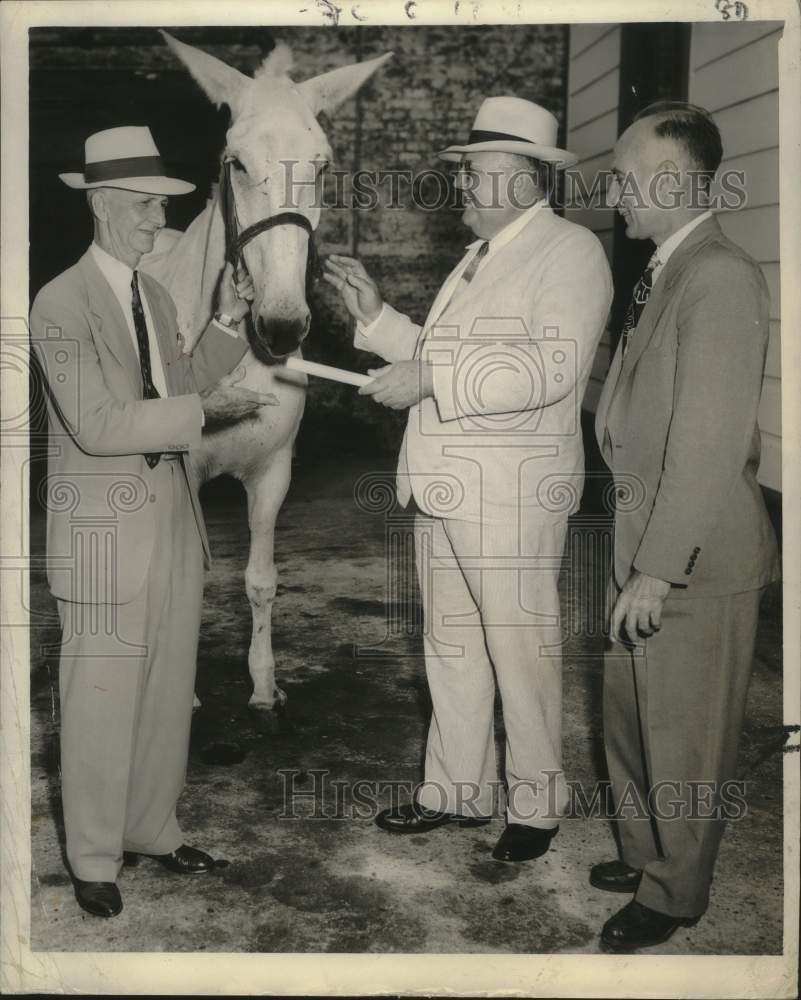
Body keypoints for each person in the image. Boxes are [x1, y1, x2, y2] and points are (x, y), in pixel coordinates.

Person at [325, 97, 613, 862]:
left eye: (478, 173)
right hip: (446, 484)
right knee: (450, 644)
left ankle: (536, 805)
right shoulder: (477, 255)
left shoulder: (569, 252)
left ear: (527, 180)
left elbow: (547, 368)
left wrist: (427, 377)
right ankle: (454, 791)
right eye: (465, 173)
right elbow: (438, 352)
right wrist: (378, 316)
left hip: (511, 495)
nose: (463, 186)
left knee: (519, 648)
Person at [30, 125, 278, 918]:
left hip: (172, 523)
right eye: (142, 207)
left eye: (162, 206)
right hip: (102, 539)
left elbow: (177, 381)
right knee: (100, 698)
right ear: (102, 205)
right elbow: (100, 424)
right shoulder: (59, 304)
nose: (154, 221)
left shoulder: (157, 294)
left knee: (168, 692)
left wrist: (229, 323)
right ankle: (94, 857)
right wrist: (203, 409)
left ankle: (153, 830)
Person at [592, 101, 780, 951]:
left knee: (684, 732)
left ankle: (675, 892)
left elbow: (705, 445)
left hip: (690, 554)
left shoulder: (718, 274)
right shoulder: (669, 266)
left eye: (625, 178)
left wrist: (657, 569)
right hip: (644, 537)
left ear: (671, 180)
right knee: (634, 715)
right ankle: (644, 850)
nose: (614, 194)